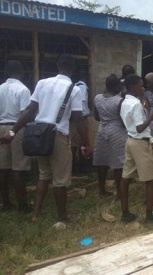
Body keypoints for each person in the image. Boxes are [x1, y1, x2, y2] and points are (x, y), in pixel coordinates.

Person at [1, 54, 92, 223]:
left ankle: (35, 215)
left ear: (58, 66)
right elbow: (78, 119)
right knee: (60, 180)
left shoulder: (42, 83)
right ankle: (62, 217)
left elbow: (29, 111)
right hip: (58, 136)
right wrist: (87, 143)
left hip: (39, 135)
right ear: (73, 69)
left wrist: (12, 132)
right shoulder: (74, 89)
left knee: (43, 175)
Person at [118, 74, 153, 224]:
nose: (143, 88)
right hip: (139, 143)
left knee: (126, 177)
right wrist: (152, 115)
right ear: (132, 87)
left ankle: (125, 213)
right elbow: (140, 128)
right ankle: (149, 217)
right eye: (140, 85)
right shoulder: (135, 104)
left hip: (130, 141)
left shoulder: (125, 102)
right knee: (150, 179)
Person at [0, 60, 32, 213]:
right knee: (18, 168)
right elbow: (24, 115)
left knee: (3, 168)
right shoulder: (23, 89)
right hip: (16, 129)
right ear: (22, 72)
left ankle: (5, 203)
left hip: (1, 127)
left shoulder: (0, 89)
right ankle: (22, 205)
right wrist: (13, 132)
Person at [92, 74, 127, 197]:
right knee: (119, 163)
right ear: (117, 86)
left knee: (102, 161)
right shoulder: (120, 101)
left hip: (102, 130)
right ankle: (120, 192)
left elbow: (96, 116)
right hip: (117, 132)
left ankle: (102, 190)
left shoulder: (97, 98)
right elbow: (124, 121)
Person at [70, 70, 90, 175]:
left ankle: (75, 168)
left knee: (75, 145)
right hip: (80, 119)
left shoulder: (74, 86)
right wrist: (81, 119)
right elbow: (80, 104)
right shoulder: (81, 87)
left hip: (75, 119)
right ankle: (79, 169)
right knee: (80, 144)